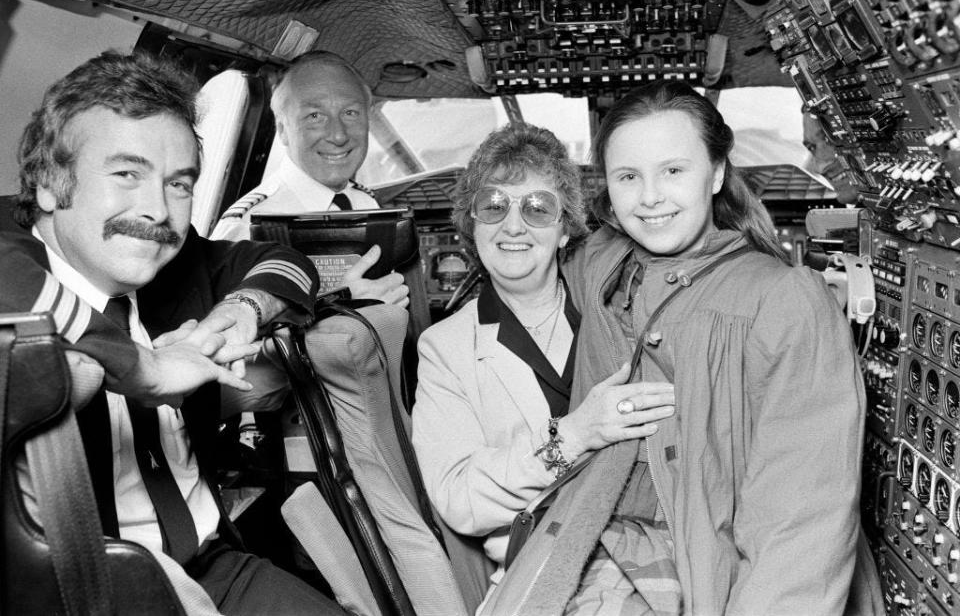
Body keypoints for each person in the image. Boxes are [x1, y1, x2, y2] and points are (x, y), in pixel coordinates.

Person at [482, 81, 880, 615]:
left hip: (711, 572)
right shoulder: (600, 261)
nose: (649, 197)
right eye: (629, 176)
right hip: (590, 535)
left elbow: (800, 523)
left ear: (716, 173)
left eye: (673, 170)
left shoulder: (785, 302)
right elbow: (523, 254)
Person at [0, 51, 347, 615]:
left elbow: (287, 264)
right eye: (126, 174)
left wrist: (242, 309)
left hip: (218, 566)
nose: (158, 209)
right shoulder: (14, 266)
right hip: (88, 593)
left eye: (179, 184)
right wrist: (144, 368)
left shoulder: (179, 266)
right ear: (48, 185)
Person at [411, 123, 676, 596]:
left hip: (660, 540)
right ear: (472, 224)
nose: (513, 225)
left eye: (537, 208)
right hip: (543, 566)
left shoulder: (620, 310)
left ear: (563, 230)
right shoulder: (444, 348)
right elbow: (457, 496)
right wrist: (574, 436)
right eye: (494, 206)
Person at [211, 50, 408, 307]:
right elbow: (228, 338)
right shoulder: (247, 227)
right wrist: (343, 307)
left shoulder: (365, 202)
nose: (338, 136)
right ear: (282, 130)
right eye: (315, 116)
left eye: (350, 113)